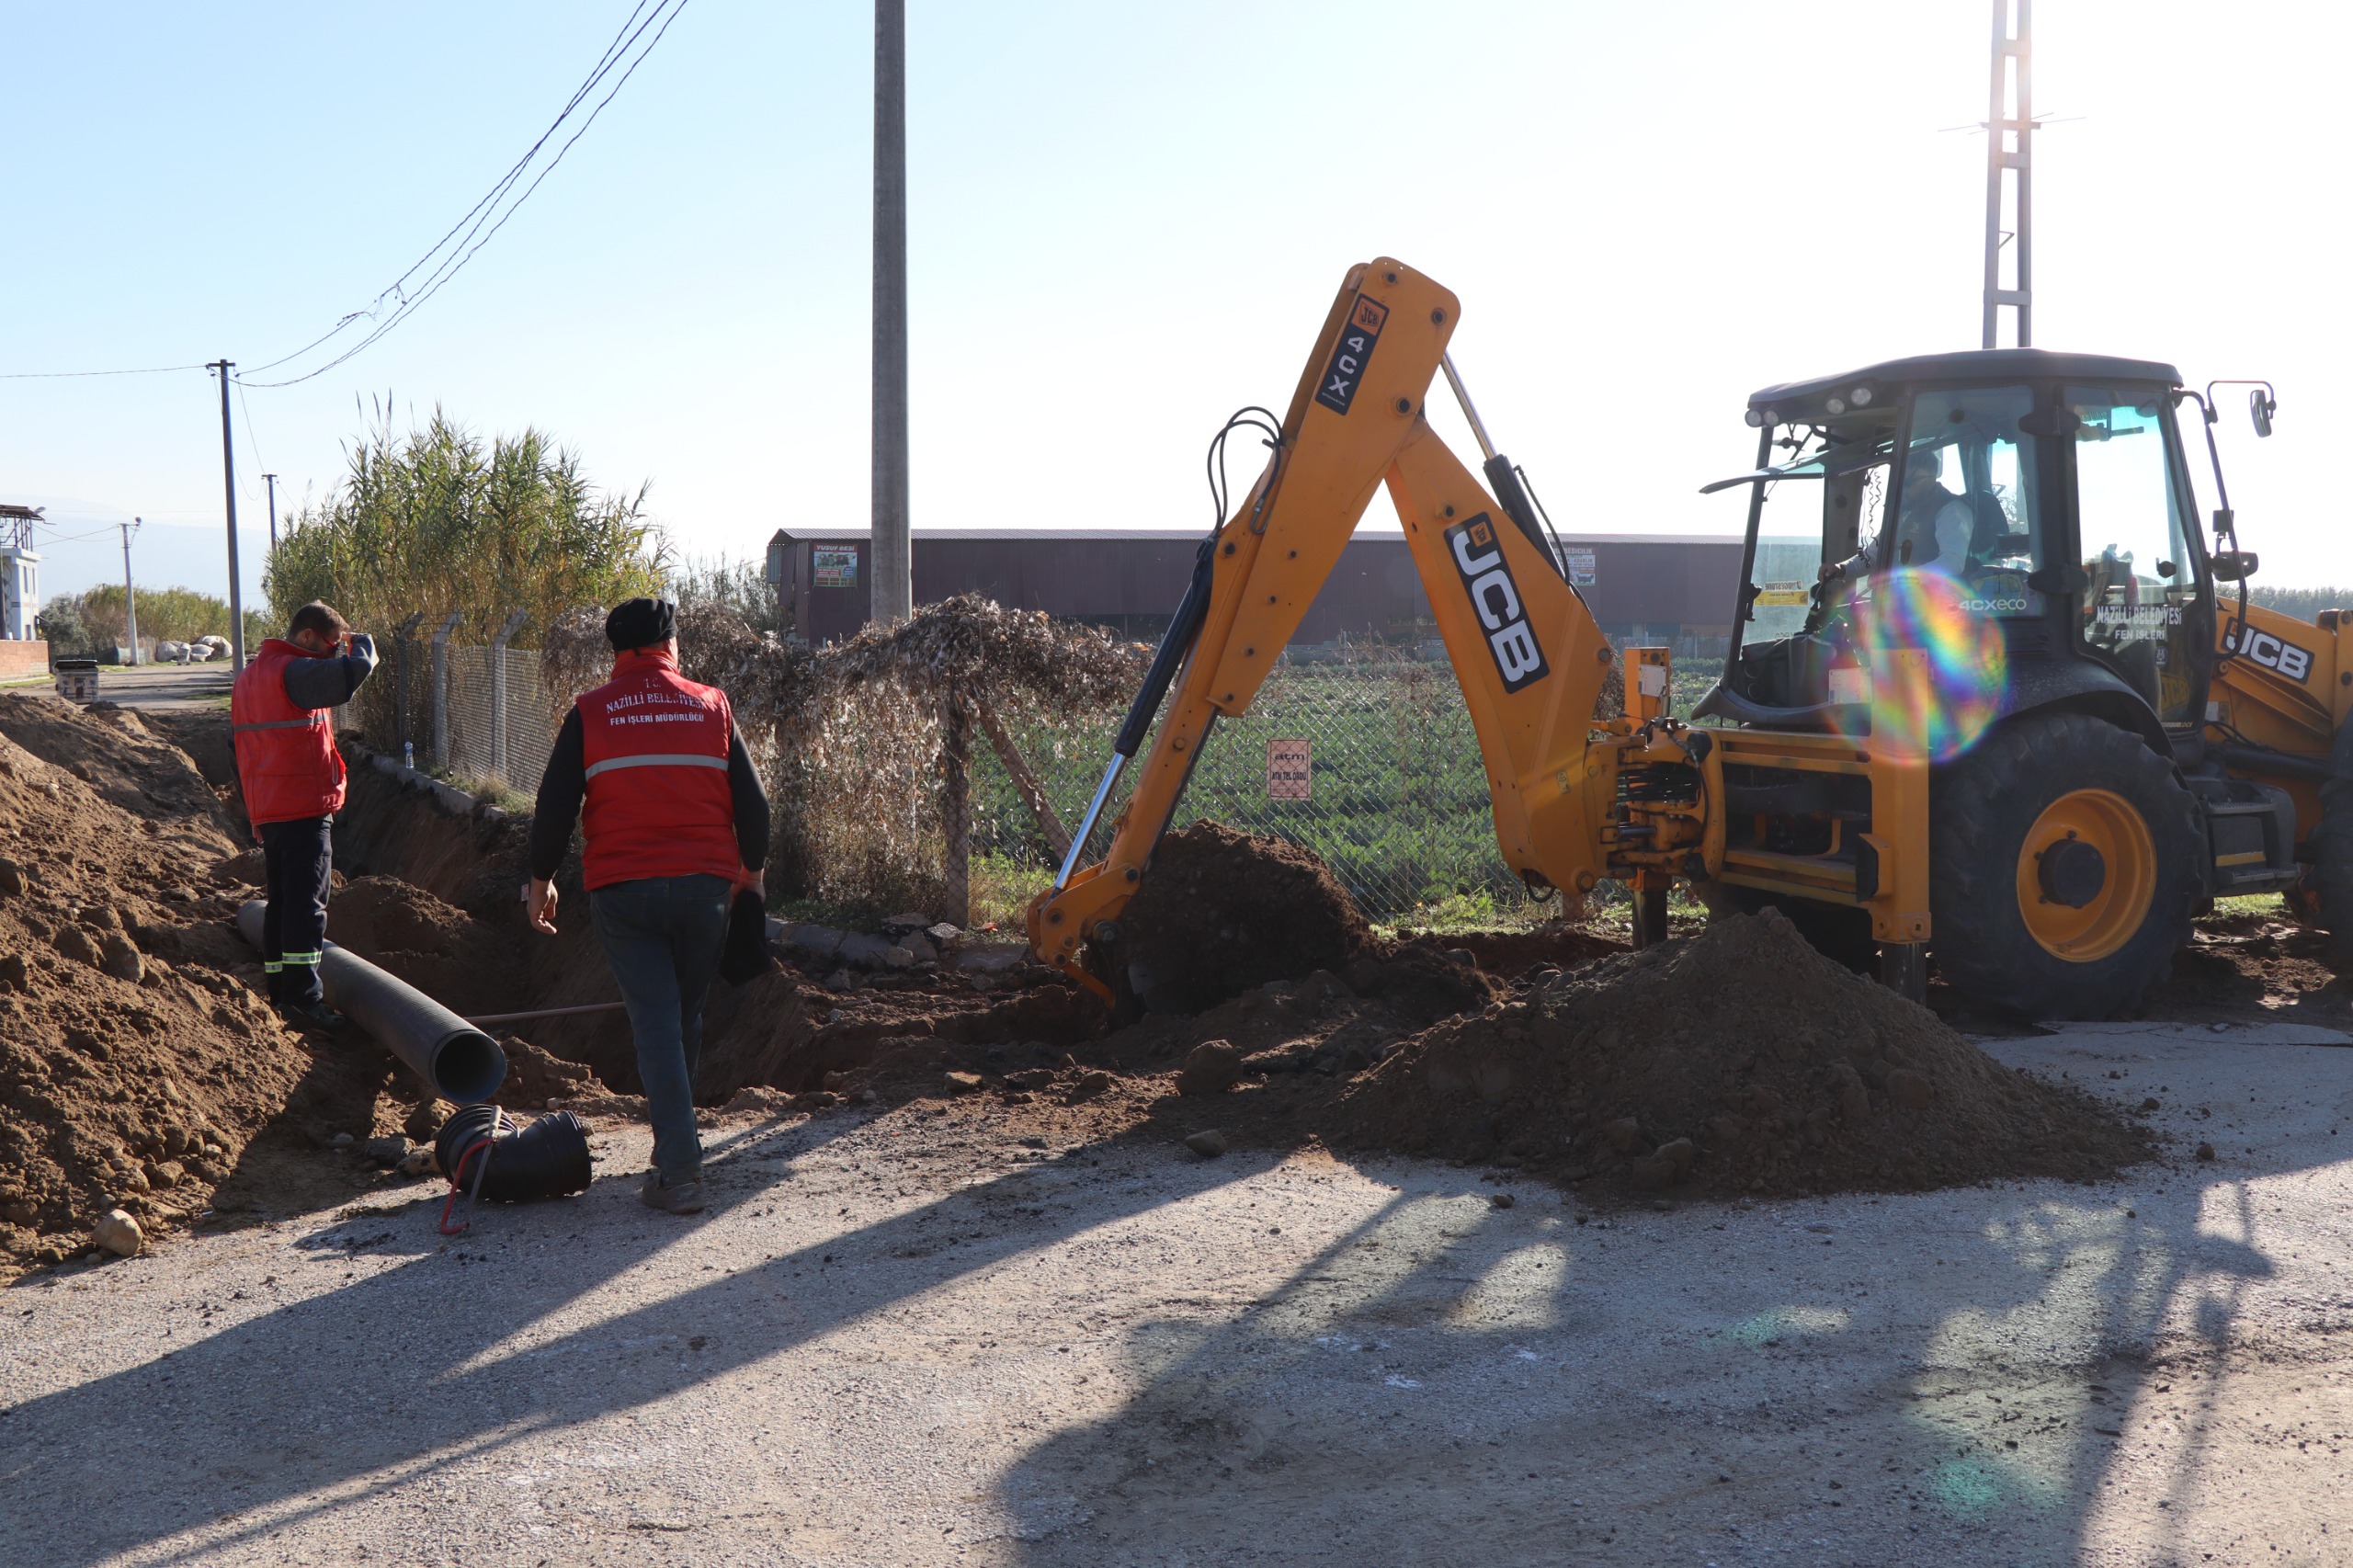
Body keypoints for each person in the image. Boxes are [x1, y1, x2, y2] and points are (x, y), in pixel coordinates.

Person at [524, 597, 770, 1216]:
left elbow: (553, 806)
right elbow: (755, 807)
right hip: (705, 889)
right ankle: (673, 1157)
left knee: (658, 1022)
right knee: (681, 1018)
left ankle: (680, 1169)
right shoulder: (712, 705)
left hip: (623, 890)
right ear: (670, 646)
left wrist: (540, 879)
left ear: (618, 651)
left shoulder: (591, 712)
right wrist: (754, 874)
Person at [229, 601, 379, 1029]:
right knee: (306, 906)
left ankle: (281, 988)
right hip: (302, 808)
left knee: (283, 902)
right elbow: (349, 677)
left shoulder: (252, 676)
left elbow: (235, 745)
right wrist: (362, 648)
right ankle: (303, 999)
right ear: (309, 637)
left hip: (273, 808)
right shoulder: (294, 671)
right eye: (331, 646)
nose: (333, 656)